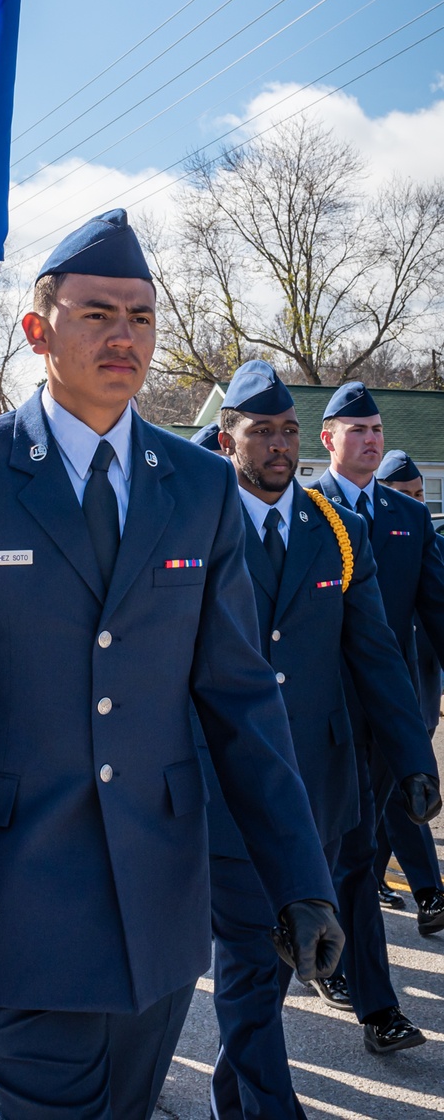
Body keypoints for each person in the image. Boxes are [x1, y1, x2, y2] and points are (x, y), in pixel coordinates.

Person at [0, 210, 345, 1120]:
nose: (124, 336)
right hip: (12, 914)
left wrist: (300, 878)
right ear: (37, 330)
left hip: (157, 919)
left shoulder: (198, 485)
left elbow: (240, 698)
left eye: (141, 316)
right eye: (97, 315)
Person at [204, 363, 438, 1116]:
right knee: (250, 957)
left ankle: (231, 1101)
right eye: (262, 431)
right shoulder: (196, 525)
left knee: (276, 969)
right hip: (228, 790)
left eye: (289, 431)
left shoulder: (335, 530)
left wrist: (411, 759)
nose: (279, 446)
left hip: (322, 786)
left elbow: (375, 654)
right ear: (225, 437)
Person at [312, 384, 444, 1049]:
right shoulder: (305, 512)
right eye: (356, 429)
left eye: (377, 428)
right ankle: (332, 964)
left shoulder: (407, 519)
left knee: (359, 855)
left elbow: (437, 612)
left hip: (386, 720)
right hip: (315, 719)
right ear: (327, 438)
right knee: (335, 853)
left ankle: (375, 1005)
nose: (371, 438)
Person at [372, 449, 444, 936]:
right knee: (398, 790)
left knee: (390, 796)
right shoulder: (353, 528)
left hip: (419, 685)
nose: (414, 505)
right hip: (373, 693)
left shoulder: (422, 535)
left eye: (420, 495)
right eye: (404, 496)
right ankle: (428, 890)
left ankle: (372, 874)